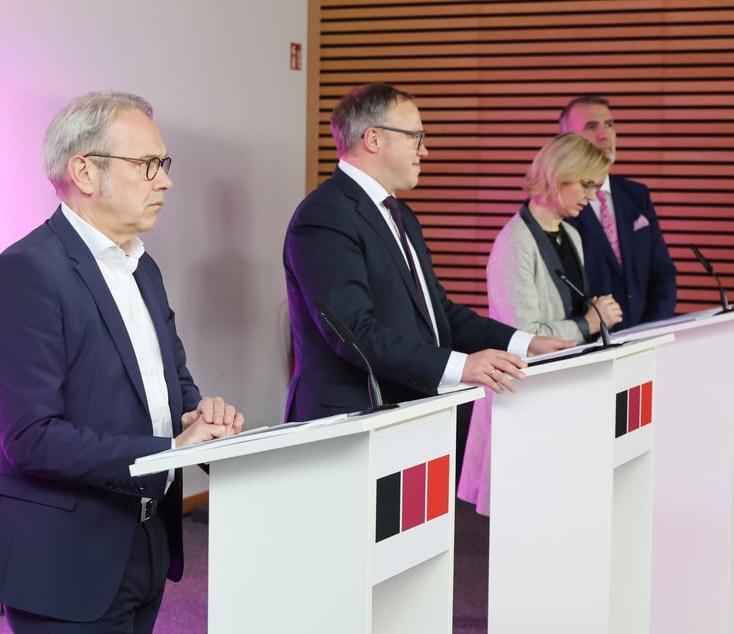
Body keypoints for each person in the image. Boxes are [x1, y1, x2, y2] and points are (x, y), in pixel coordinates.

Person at [0, 91, 245, 633]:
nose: (164, 181)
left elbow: (173, 385)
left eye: (164, 165)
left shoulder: (143, 268)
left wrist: (200, 419)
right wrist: (169, 451)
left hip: (144, 541)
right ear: (85, 173)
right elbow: (30, 439)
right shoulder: (24, 276)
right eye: (147, 165)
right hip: (64, 559)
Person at [283, 82, 573, 424]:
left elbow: (439, 314)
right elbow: (354, 332)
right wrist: (462, 365)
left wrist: (526, 343)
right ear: (374, 139)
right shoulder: (325, 215)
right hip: (353, 417)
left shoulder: (401, 215)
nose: (425, 151)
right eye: (416, 137)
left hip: (410, 410)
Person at [457, 133, 623, 515]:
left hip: (559, 388)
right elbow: (521, 335)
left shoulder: (572, 235)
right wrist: (588, 324)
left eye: (596, 187)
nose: (592, 195)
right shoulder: (514, 243)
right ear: (557, 175)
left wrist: (590, 319)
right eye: (586, 184)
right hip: (523, 395)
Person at [559, 95, 677, 329]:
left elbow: (662, 273)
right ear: (567, 140)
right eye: (591, 126)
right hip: (588, 345)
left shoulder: (637, 195)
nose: (605, 135)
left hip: (645, 338)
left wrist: (651, 330)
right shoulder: (559, 204)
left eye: (610, 124)